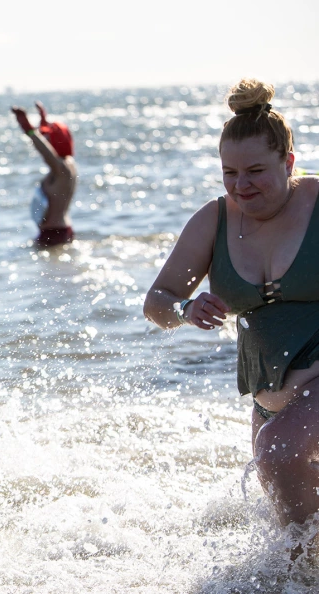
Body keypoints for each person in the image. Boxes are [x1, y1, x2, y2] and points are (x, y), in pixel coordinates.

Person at [144, 79, 319, 542]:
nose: (241, 185)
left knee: (279, 456)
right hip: (270, 405)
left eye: (257, 171)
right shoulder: (213, 220)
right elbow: (156, 301)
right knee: (301, 537)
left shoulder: (316, 203)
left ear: (289, 162)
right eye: (229, 173)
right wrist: (185, 307)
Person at [11, 102, 77, 247]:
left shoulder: (61, 168)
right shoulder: (69, 165)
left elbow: (46, 152)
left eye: (49, 138)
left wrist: (28, 129)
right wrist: (43, 119)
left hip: (54, 234)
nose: (46, 139)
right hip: (62, 231)